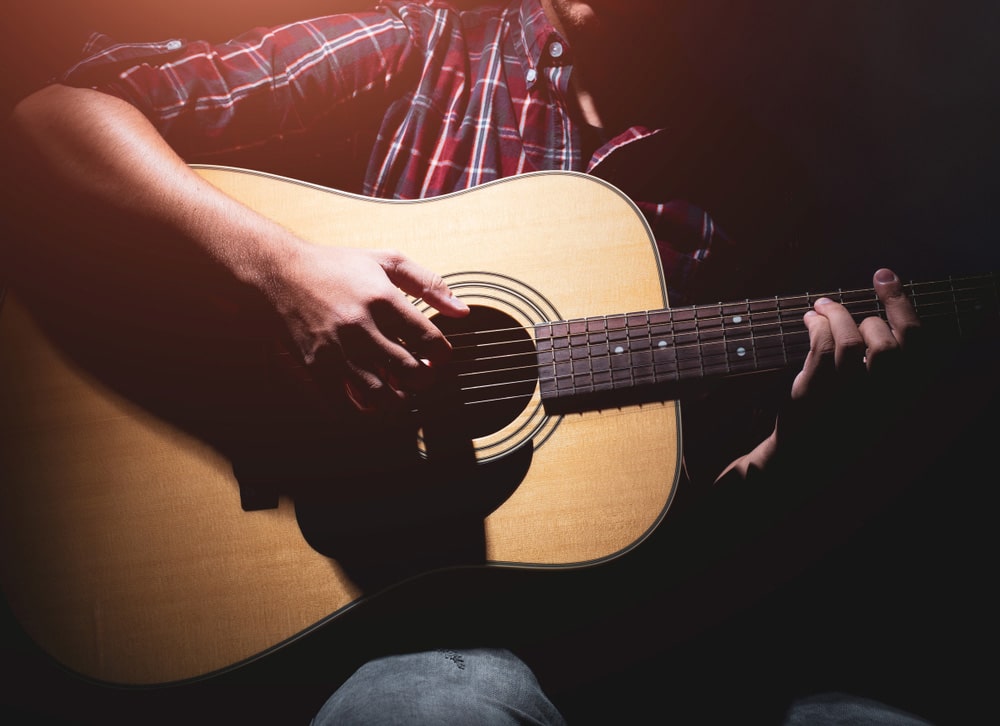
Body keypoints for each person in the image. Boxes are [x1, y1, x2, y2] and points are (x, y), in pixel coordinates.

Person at [3, 1, 963, 723]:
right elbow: (50, 122)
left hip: (587, 631)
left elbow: (661, 526)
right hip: (394, 630)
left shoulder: (733, 185)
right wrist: (284, 273)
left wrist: (789, 458)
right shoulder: (430, 42)